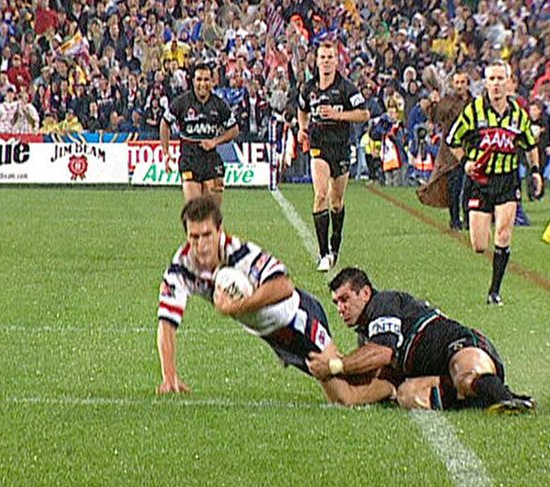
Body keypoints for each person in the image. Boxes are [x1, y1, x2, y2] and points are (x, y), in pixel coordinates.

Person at [156, 196, 395, 405]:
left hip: (298, 318)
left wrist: (236, 307)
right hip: (273, 335)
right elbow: (166, 322)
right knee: (342, 382)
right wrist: (169, 376)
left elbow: (283, 286)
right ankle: (385, 375)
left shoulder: (244, 254)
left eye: (207, 234)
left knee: (344, 396)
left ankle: (394, 383)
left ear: (220, 230)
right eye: (193, 237)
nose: (201, 244)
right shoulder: (180, 268)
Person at [306, 267, 536, 413]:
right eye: (336, 303)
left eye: (345, 299)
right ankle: (475, 399)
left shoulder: (382, 303)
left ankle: (510, 398)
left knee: (465, 377)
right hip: (441, 372)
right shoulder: (366, 336)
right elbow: (377, 379)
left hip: (462, 345)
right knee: (406, 395)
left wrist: (336, 365)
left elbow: (382, 353)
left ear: (365, 293)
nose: (340, 308)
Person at [446, 60, 543, 305]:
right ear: (485, 83)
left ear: (509, 83)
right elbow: (452, 140)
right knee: (479, 245)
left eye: (501, 79)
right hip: (480, 181)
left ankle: (494, 292)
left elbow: (530, 145)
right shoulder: (474, 111)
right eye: (492, 79)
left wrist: (535, 171)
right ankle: (483, 224)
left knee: (503, 233)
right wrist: (467, 162)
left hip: (507, 181)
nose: (497, 84)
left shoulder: (518, 115)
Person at [297, 41, 370, 272]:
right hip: (319, 145)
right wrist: (302, 128)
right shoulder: (309, 88)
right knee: (320, 195)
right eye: (323, 57)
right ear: (316, 60)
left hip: (340, 146)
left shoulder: (346, 88)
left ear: (336, 60)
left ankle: (335, 243)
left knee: (336, 202)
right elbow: (302, 108)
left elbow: (364, 114)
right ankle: (323, 254)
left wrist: (339, 116)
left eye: (330, 57)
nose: (326, 61)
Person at [160, 63, 239, 206]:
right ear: (193, 81)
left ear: (212, 82)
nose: (203, 84)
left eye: (206, 80)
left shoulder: (219, 105)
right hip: (189, 161)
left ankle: (217, 228)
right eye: (199, 79)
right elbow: (164, 123)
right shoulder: (182, 102)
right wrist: (165, 152)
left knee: (212, 215)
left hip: (211, 162)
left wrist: (215, 142)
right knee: (194, 211)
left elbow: (234, 130)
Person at [417, 70, 474, 230]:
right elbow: (435, 116)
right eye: (457, 83)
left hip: (471, 151)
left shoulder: (475, 103)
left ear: (467, 84)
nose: (460, 86)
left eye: (463, 82)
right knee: (454, 189)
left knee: (470, 189)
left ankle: (470, 220)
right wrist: (431, 104)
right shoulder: (447, 102)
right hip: (451, 154)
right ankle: (455, 220)